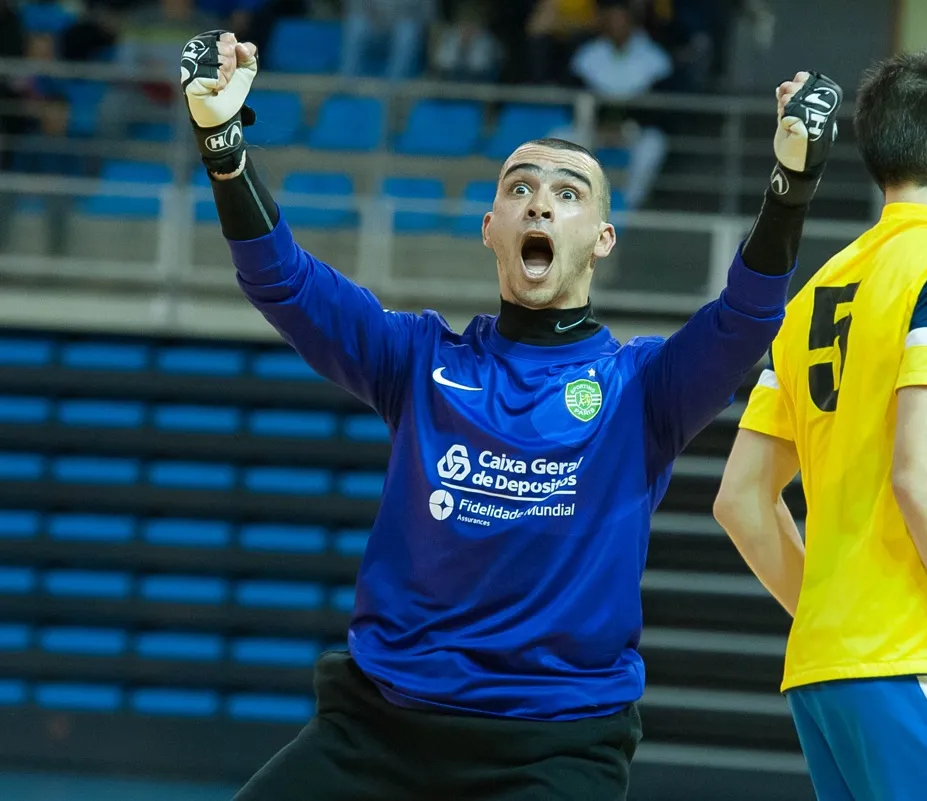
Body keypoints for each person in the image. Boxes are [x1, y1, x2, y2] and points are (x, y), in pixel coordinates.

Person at [180, 29, 840, 800]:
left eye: (567, 194)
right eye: (519, 187)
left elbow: (743, 320)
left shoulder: (641, 387)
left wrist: (790, 187)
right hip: (379, 727)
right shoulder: (415, 359)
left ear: (600, 240)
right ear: (490, 226)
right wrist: (223, 147)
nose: (539, 202)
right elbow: (284, 281)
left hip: (554, 746)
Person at [713, 51, 927, 801]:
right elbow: (916, 476)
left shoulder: (814, 291)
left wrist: (834, 615)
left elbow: (739, 499)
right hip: (908, 656)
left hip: (824, 670)